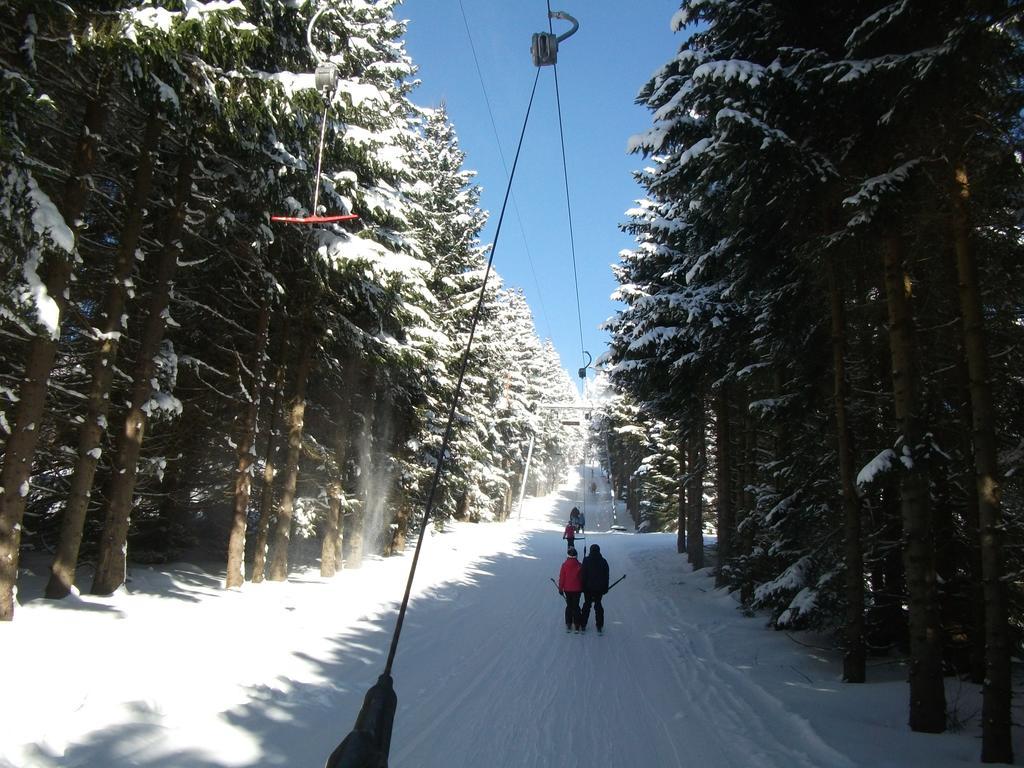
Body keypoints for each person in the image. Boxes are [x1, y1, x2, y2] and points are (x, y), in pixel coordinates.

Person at [579, 543, 610, 634]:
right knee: (598, 605)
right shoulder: (604, 561)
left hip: (588, 588)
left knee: (587, 605)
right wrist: (605, 588)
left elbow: (583, 575)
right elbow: (606, 576)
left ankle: (583, 623)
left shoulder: (586, 560)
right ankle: (599, 625)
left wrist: (582, 586)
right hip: (599, 589)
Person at [557, 547, 583, 632]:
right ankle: (577, 623)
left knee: (569, 605)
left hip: (567, 589)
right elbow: (582, 578)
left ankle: (568, 622)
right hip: (577, 589)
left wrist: (560, 588)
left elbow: (562, 578)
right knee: (576, 606)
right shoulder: (579, 565)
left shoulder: (564, 565)